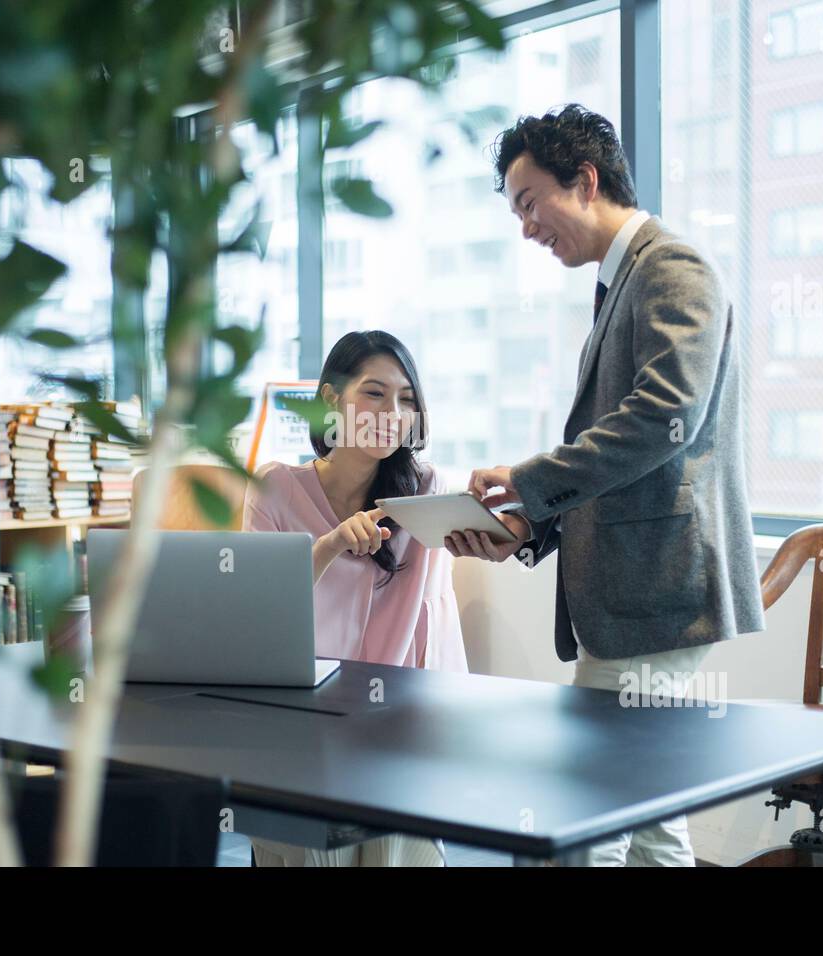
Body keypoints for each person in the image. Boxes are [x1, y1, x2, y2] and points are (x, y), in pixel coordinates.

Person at [446, 104, 765, 866]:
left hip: (654, 595)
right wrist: (527, 526)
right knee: (651, 816)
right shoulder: (626, 281)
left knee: (595, 814)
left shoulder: (673, 270)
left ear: (584, 181)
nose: (525, 228)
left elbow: (662, 423)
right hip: (639, 593)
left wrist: (528, 483)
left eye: (529, 203)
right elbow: (627, 454)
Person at [242, 330, 465, 866]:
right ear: (329, 400)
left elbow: (433, 632)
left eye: (406, 397)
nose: (393, 411)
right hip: (299, 723)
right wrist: (331, 544)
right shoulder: (274, 488)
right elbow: (256, 614)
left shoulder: (427, 492)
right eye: (374, 392)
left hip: (395, 728)